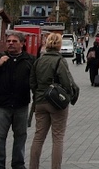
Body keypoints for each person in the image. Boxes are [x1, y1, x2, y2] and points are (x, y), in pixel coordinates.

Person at [0, 31, 35, 169]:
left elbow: (36, 81)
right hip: (1, 105)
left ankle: (18, 164)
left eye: (14, 41)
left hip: (21, 104)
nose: (10, 43)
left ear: (22, 43)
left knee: (20, 136)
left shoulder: (30, 60)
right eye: (9, 41)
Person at [29, 32, 78, 169]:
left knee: (38, 137)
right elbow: (67, 82)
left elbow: (32, 82)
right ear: (59, 45)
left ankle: (33, 166)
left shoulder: (38, 60)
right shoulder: (59, 60)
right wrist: (70, 95)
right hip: (56, 102)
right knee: (58, 137)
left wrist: (37, 93)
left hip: (40, 102)